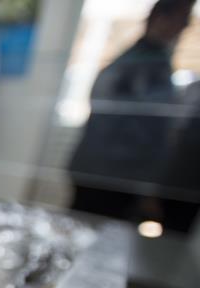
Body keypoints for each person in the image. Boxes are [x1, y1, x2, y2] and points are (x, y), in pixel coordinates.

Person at [69, 0, 197, 231]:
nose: (185, 26)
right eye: (182, 19)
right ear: (161, 18)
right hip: (110, 175)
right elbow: (146, 128)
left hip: (112, 175)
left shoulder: (149, 61)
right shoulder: (141, 64)